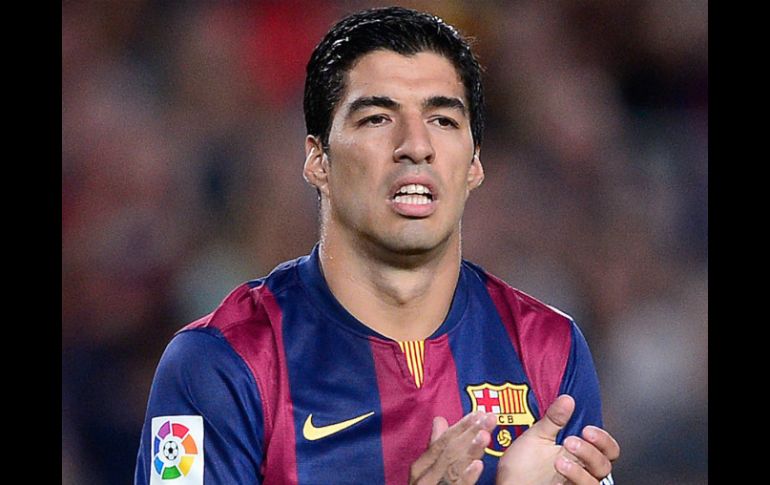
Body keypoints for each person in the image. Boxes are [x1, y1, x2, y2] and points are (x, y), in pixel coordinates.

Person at [135, 6, 619, 485]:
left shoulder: (549, 349)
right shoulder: (220, 363)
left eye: (443, 120)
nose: (416, 145)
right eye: (377, 119)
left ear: (474, 164)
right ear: (318, 161)